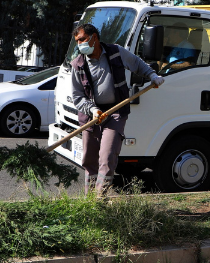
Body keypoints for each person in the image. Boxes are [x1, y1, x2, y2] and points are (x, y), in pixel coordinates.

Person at [70, 23, 165, 194]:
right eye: (77, 41)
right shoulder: (77, 65)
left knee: (107, 157)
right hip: (90, 116)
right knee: (89, 160)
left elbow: (136, 63)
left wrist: (152, 75)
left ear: (94, 38)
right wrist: (93, 110)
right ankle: (89, 199)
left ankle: (100, 199)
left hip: (115, 112)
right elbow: (77, 97)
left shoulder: (116, 52)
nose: (79, 44)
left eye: (82, 39)